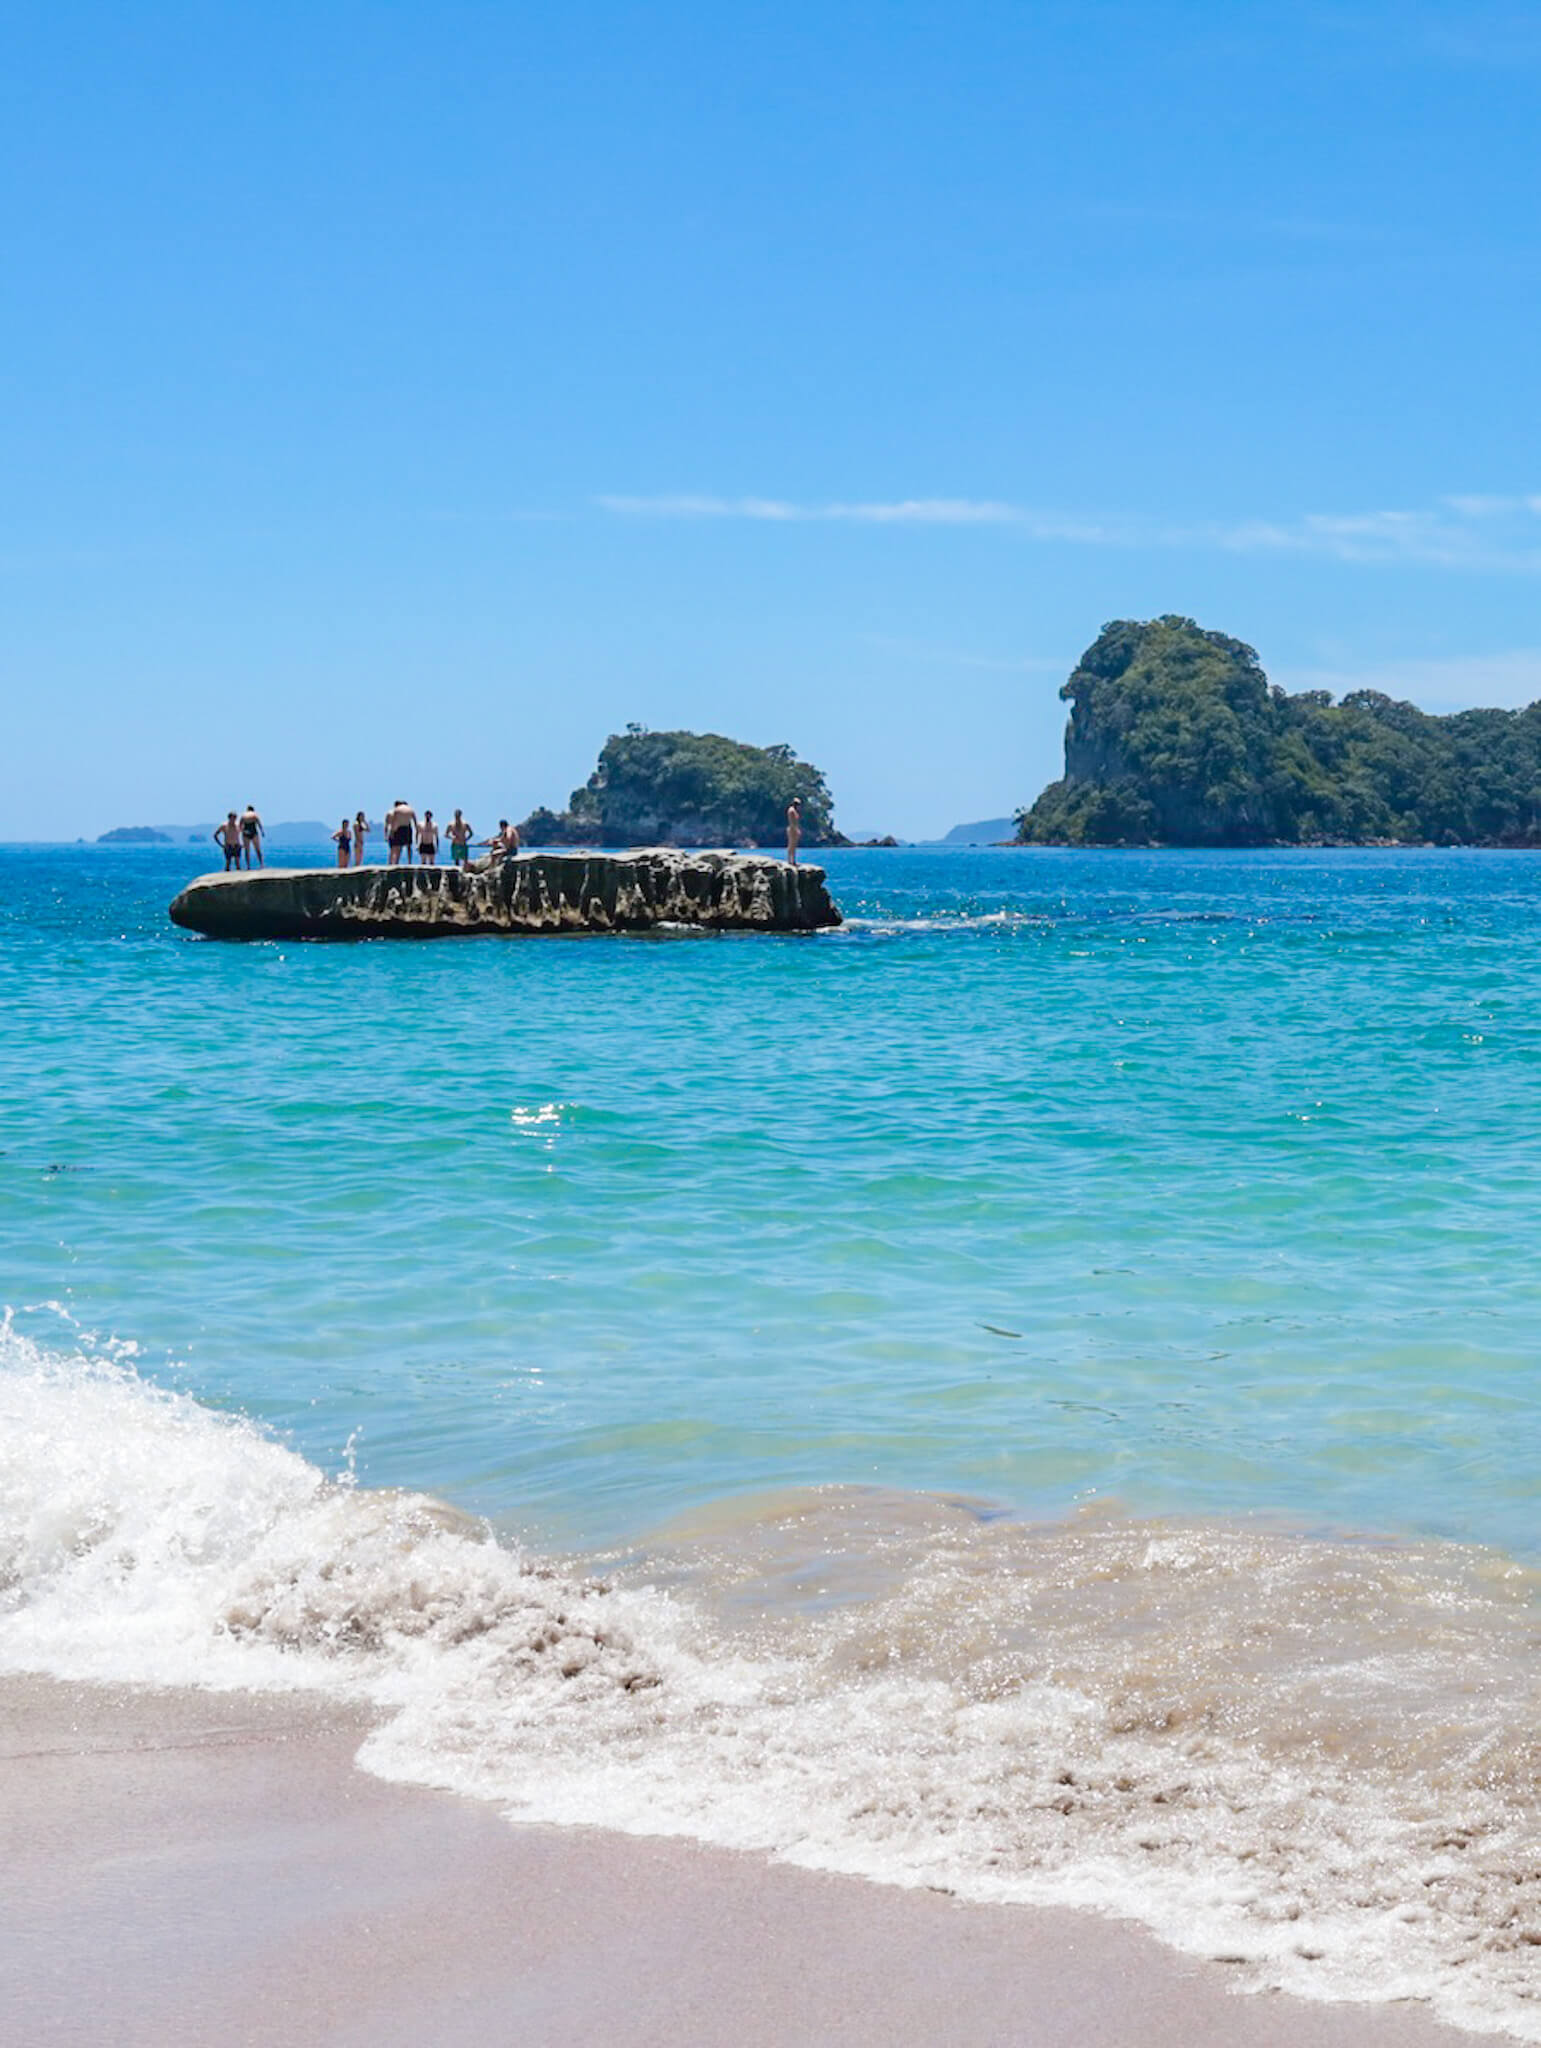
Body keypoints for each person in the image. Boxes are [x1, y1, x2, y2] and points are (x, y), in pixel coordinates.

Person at [385, 798, 417, 867]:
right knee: (402, 847)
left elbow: (394, 822)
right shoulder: (409, 810)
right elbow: (415, 821)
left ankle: (393, 862)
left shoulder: (396, 811)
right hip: (406, 828)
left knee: (396, 847)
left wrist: (392, 832)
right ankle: (407, 862)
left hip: (399, 828)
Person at [240, 804, 265, 869]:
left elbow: (240, 825)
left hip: (246, 832)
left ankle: (248, 866)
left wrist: (241, 832)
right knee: (257, 849)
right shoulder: (254, 814)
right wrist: (262, 832)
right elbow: (259, 823)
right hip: (253, 832)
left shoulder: (243, 815)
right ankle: (261, 864)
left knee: (247, 850)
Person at [786, 797, 802, 866]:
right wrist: (796, 830)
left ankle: (792, 860)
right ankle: (791, 861)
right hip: (792, 829)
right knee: (792, 845)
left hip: (793, 829)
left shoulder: (793, 810)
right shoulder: (792, 811)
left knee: (793, 845)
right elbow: (792, 822)